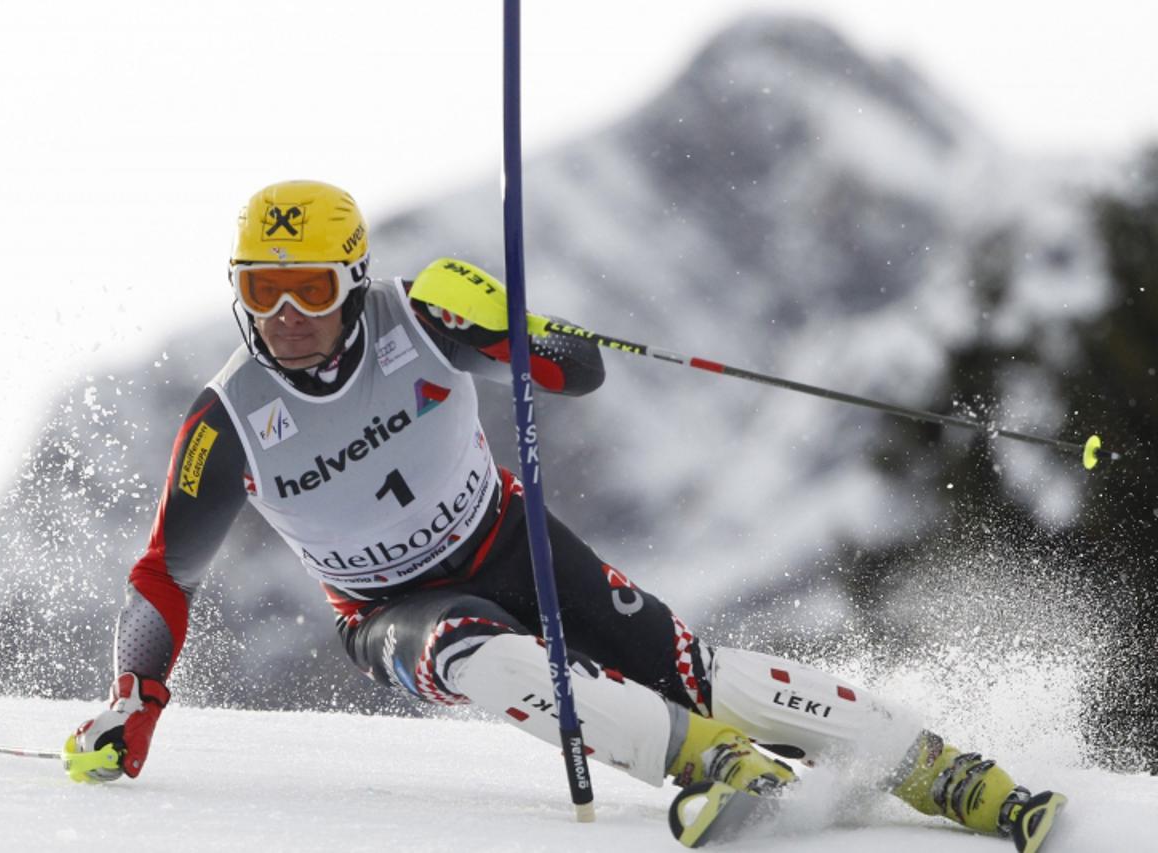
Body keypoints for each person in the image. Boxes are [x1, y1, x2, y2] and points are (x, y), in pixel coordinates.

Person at [69, 180, 1065, 851]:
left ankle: (939, 769)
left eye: (307, 287)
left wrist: (514, 326)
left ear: (353, 278)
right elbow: (164, 573)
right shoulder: (228, 419)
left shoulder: (419, 316)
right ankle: (715, 766)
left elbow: (574, 369)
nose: (284, 313)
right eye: (260, 289)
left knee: (686, 667)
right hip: (388, 610)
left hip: (506, 537)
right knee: (487, 660)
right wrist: (134, 704)